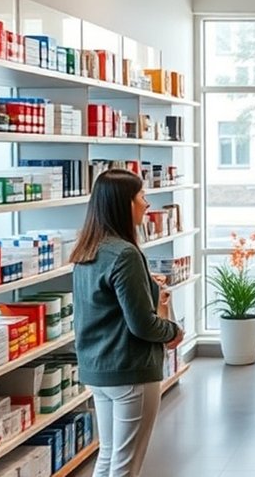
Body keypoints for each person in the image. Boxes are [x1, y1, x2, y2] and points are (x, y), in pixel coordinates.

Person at [70, 169, 184, 477]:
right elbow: (142, 325)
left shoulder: (87, 249)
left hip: (97, 369)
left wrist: (149, 287)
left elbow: (102, 308)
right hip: (130, 369)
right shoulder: (125, 254)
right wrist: (174, 331)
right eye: (142, 197)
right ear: (125, 204)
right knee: (126, 466)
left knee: (108, 457)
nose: (147, 204)